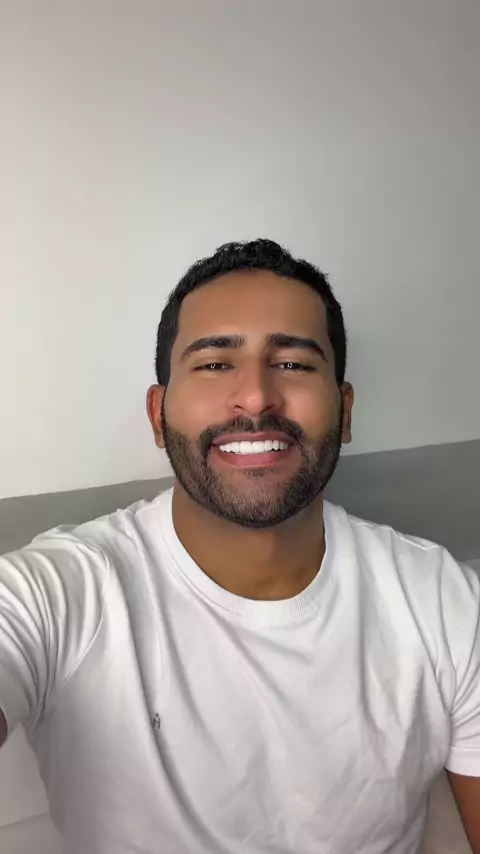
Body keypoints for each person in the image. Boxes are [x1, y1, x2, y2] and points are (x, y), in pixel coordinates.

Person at [0, 239, 479, 854]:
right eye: (214, 364)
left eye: (294, 364)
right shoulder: (61, 593)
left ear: (345, 410)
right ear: (158, 414)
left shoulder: (444, 601)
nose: (255, 397)